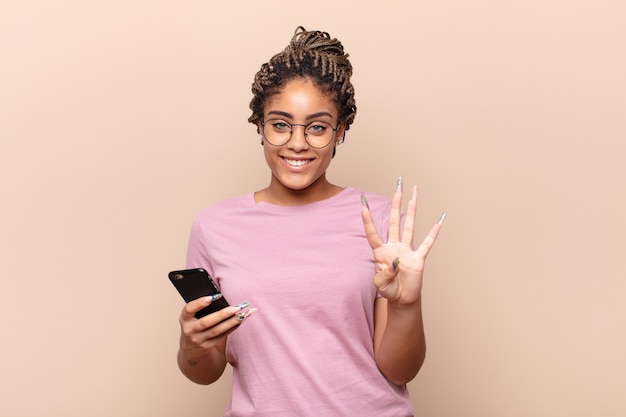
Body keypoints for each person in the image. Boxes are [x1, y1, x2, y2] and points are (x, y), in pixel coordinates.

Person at [176, 26, 445, 416]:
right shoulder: (215, 227)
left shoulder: (380, 219)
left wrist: (407, 303)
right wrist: (192, 346)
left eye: (317, 127)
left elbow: (399, 370)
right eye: (280, 124)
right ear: (259, 126)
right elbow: (205, 373)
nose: (297, 142)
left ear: (340, 131)